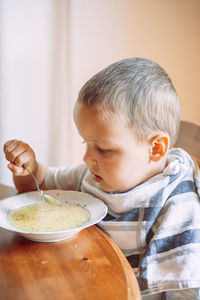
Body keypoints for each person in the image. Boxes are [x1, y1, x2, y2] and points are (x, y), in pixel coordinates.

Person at [4, 58, 200, 299]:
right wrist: (29, 168)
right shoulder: (94, 176)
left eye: (104, 149)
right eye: (85, 142)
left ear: (156, 149)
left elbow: (182, 290)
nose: (87, 158)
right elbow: (41, 189)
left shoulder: (177, 206)